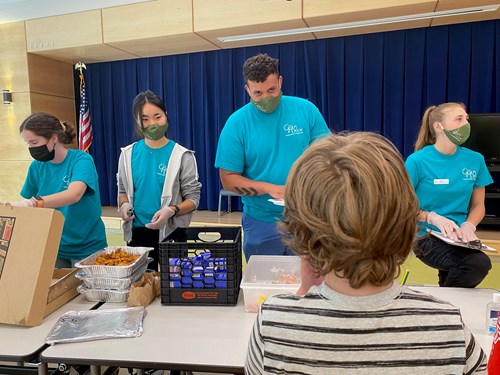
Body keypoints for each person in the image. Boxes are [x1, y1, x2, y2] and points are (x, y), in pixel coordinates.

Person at [245, 133, 487, 374]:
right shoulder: (446, 326)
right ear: (404, 227)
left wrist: (301, 296)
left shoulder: (274, 323)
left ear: (303, 234)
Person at [215, 53, 330, 261]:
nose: (266, 98)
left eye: (272, 90)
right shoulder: (237, 124)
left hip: (306, 218)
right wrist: (270, 189)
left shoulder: (306, 110)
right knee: (264, 286)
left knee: (310, 285)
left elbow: (326, 157)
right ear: (247, 90)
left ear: (280, 81)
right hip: (261, 221)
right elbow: (229, 179)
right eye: (258, 93)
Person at [1, 112, 108, 268]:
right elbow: (29, 210)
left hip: (88, 247)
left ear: (54, 138)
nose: (30, 147)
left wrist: (32, 203)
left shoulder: (81, 160)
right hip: (54, 247)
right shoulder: (37, 167)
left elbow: (74, 194)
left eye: (34, 142)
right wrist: (9, 207)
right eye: (27, 143)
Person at [405, 102, 493, 288]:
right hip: (424, 235)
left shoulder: (475, 160)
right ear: (439, 126)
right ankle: (448, 306)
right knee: (476, 264)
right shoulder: (417, 161)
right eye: (458, 119)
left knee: (458, 270)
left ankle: (447, 310)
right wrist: (431, 217)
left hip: (460, 237)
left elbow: (478, 205)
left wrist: (469, 225)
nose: (466, 123)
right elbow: (401, 205)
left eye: (466, 119)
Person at [117, 90, 201, 271]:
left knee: (172, 288)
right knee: (141, 287)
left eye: (157, 117)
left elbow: (193, 200)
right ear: (137, 121)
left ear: (166, 116)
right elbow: (122, 191)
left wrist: (171, 210)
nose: (152, 124)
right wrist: (124, 205)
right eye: (145, 119)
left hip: (172, 233)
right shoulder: (127, 154)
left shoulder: (181, 155)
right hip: (138, 234)